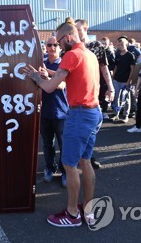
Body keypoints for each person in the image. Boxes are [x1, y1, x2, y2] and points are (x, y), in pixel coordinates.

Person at [23, 22, 101, 227]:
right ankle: (87, 209)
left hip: (79, 115)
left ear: (66, 38)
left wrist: (34, 77)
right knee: (85, 161)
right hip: (93, 112)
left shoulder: (71, 55)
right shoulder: (90, 54)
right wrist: (47, 75)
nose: (55, 46)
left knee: (70, 164)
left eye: (57, 42)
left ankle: (72, 213)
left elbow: (49, 88)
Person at [75, 19, 114, 169]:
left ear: (86, 29)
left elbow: (104, 68)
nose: (77, 32)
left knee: (90, 127)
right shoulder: (72, 47)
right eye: (75, 30)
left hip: (92, 91)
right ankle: (79, 156)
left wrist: (111, 87)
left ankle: (88, 156)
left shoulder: (95, 46)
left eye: (79, 29)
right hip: (75, 92)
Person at [40, 36, 68, 187]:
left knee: (63, 144)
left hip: (61, 111)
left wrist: (46, 75)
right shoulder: (40, 63)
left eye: (55, 44)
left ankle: (65, 171)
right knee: (47, 144)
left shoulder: (64, 64)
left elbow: (62, 85)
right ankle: (50, 168)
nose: (52, 47)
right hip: (44, 112)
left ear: (60, 47)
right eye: (49, 44)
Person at [112, 36, 136, 122]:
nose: (120, 46)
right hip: (116, 80)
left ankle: (125, 116)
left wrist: (129, 81)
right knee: (116, 98)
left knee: (126, 99)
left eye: (122, 44)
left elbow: (132, 69)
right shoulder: (117, 54)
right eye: (119, 44)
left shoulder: (130, 56)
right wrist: (112, 78)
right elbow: (116, 67)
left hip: (125, 81)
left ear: (126, 44)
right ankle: (116, 114)